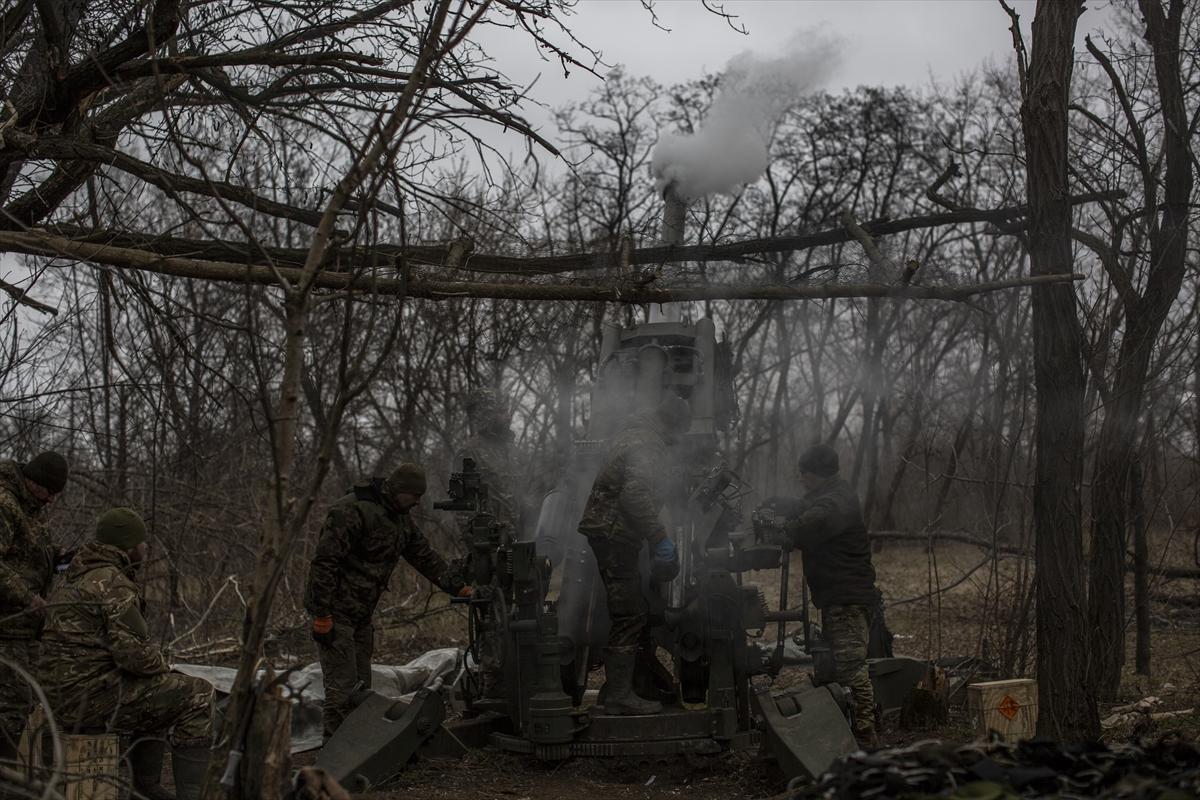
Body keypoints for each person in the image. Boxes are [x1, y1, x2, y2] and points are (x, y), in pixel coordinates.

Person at [39, 507, 213, 800]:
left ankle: (146, 789)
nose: (146, 549)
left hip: (58, 696)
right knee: (197, 693)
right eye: (143, 543)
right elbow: (134, 656)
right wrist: (162, 665)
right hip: (90, 699)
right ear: (129, 546)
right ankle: (187, 794)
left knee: (159, 695)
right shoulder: (112, 582)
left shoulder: (74, 577)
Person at [303, 463, 467, 740]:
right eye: (413, 496)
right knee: (341, 690)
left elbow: (424, 556)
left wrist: (458, 587)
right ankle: (335, 757)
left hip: (361, 615)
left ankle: (359, 744)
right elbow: (324, 563)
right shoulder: (352, 510)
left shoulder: (400, 518)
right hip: (335, 612)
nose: (417, 503)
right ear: (398, 490)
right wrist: (321, 614)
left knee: (360, 686)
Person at [576, 395, 689, 716]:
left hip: (610, 532)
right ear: (672, 424)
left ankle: (625, 688)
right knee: (630, 613)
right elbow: (635, 495)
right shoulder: (648, 444)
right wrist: (660, 539)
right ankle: (620, 697)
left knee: (631, 607)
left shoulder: (632, 434)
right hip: (616, 535)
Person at [771, 443, 880, 746]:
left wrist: (784, 528)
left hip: (847, 598)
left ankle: (865, 734)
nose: (802, 478)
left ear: (818, 474)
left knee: (850, 667)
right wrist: (780, 504)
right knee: (835, 665)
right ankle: (846, 730)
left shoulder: (837, 502)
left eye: (804, 474)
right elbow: (807, 506)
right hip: (837, 597)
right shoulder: (830, 495)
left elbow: (812, 521)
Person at [0, 451, 69, 760]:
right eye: (49, 491)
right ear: (33, 481)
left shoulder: (32, 505)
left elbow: (27, 551)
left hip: (24, 627)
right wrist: (28, 597)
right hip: (6, 626)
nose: (52, 500)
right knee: (10, 706)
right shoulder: (5, 504)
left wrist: (57, 557)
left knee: (22, 701)